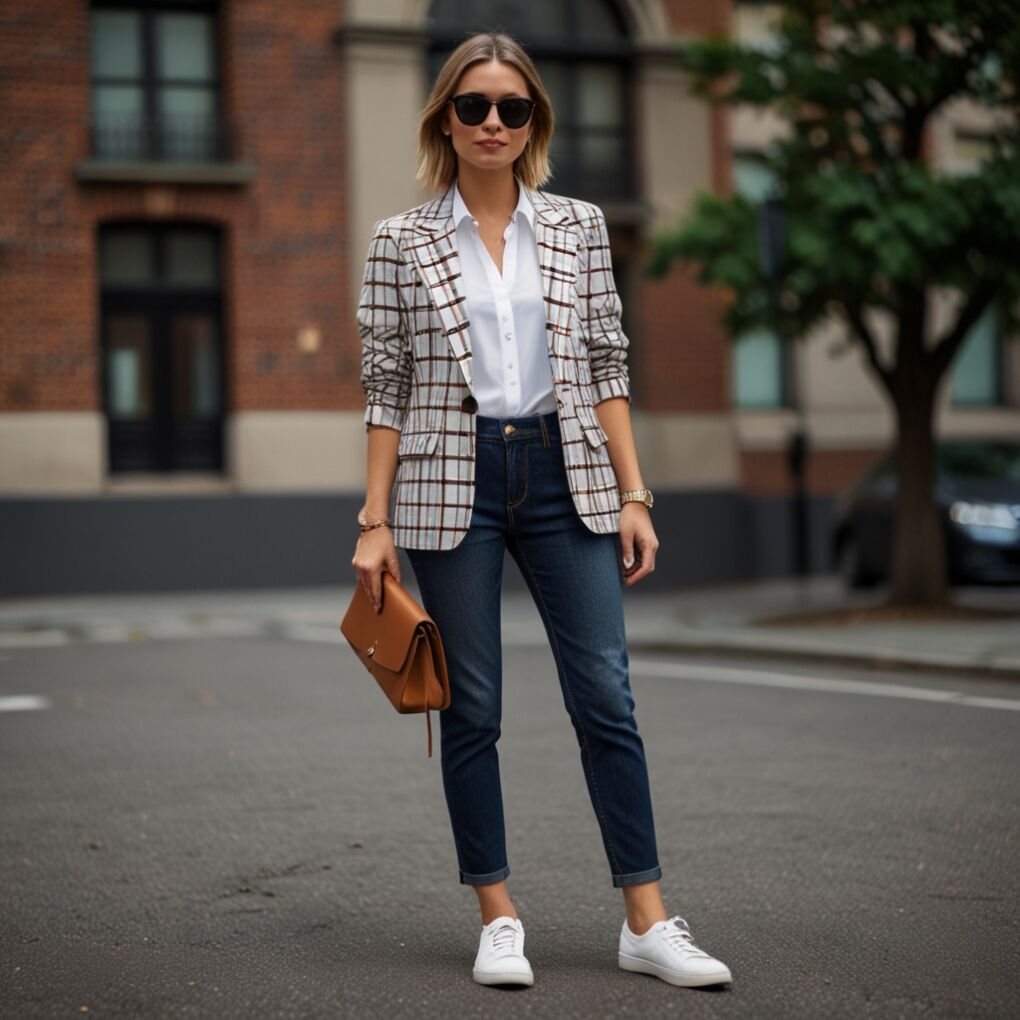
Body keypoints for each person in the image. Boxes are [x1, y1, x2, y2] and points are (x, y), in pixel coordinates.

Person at [352, 30, 732, 991]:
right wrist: (373, 518)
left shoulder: (579, 226)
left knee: (606, 693)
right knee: (472, 707)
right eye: (473, 106)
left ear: (534, 123)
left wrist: (633, 490)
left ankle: (645, 920)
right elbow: (385, 385)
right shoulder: (401, 239)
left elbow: (607, 359)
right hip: (453, 482)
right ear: (446, 117)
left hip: (568, 474)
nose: (492, 123)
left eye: (511, 108)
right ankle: (498, 912)